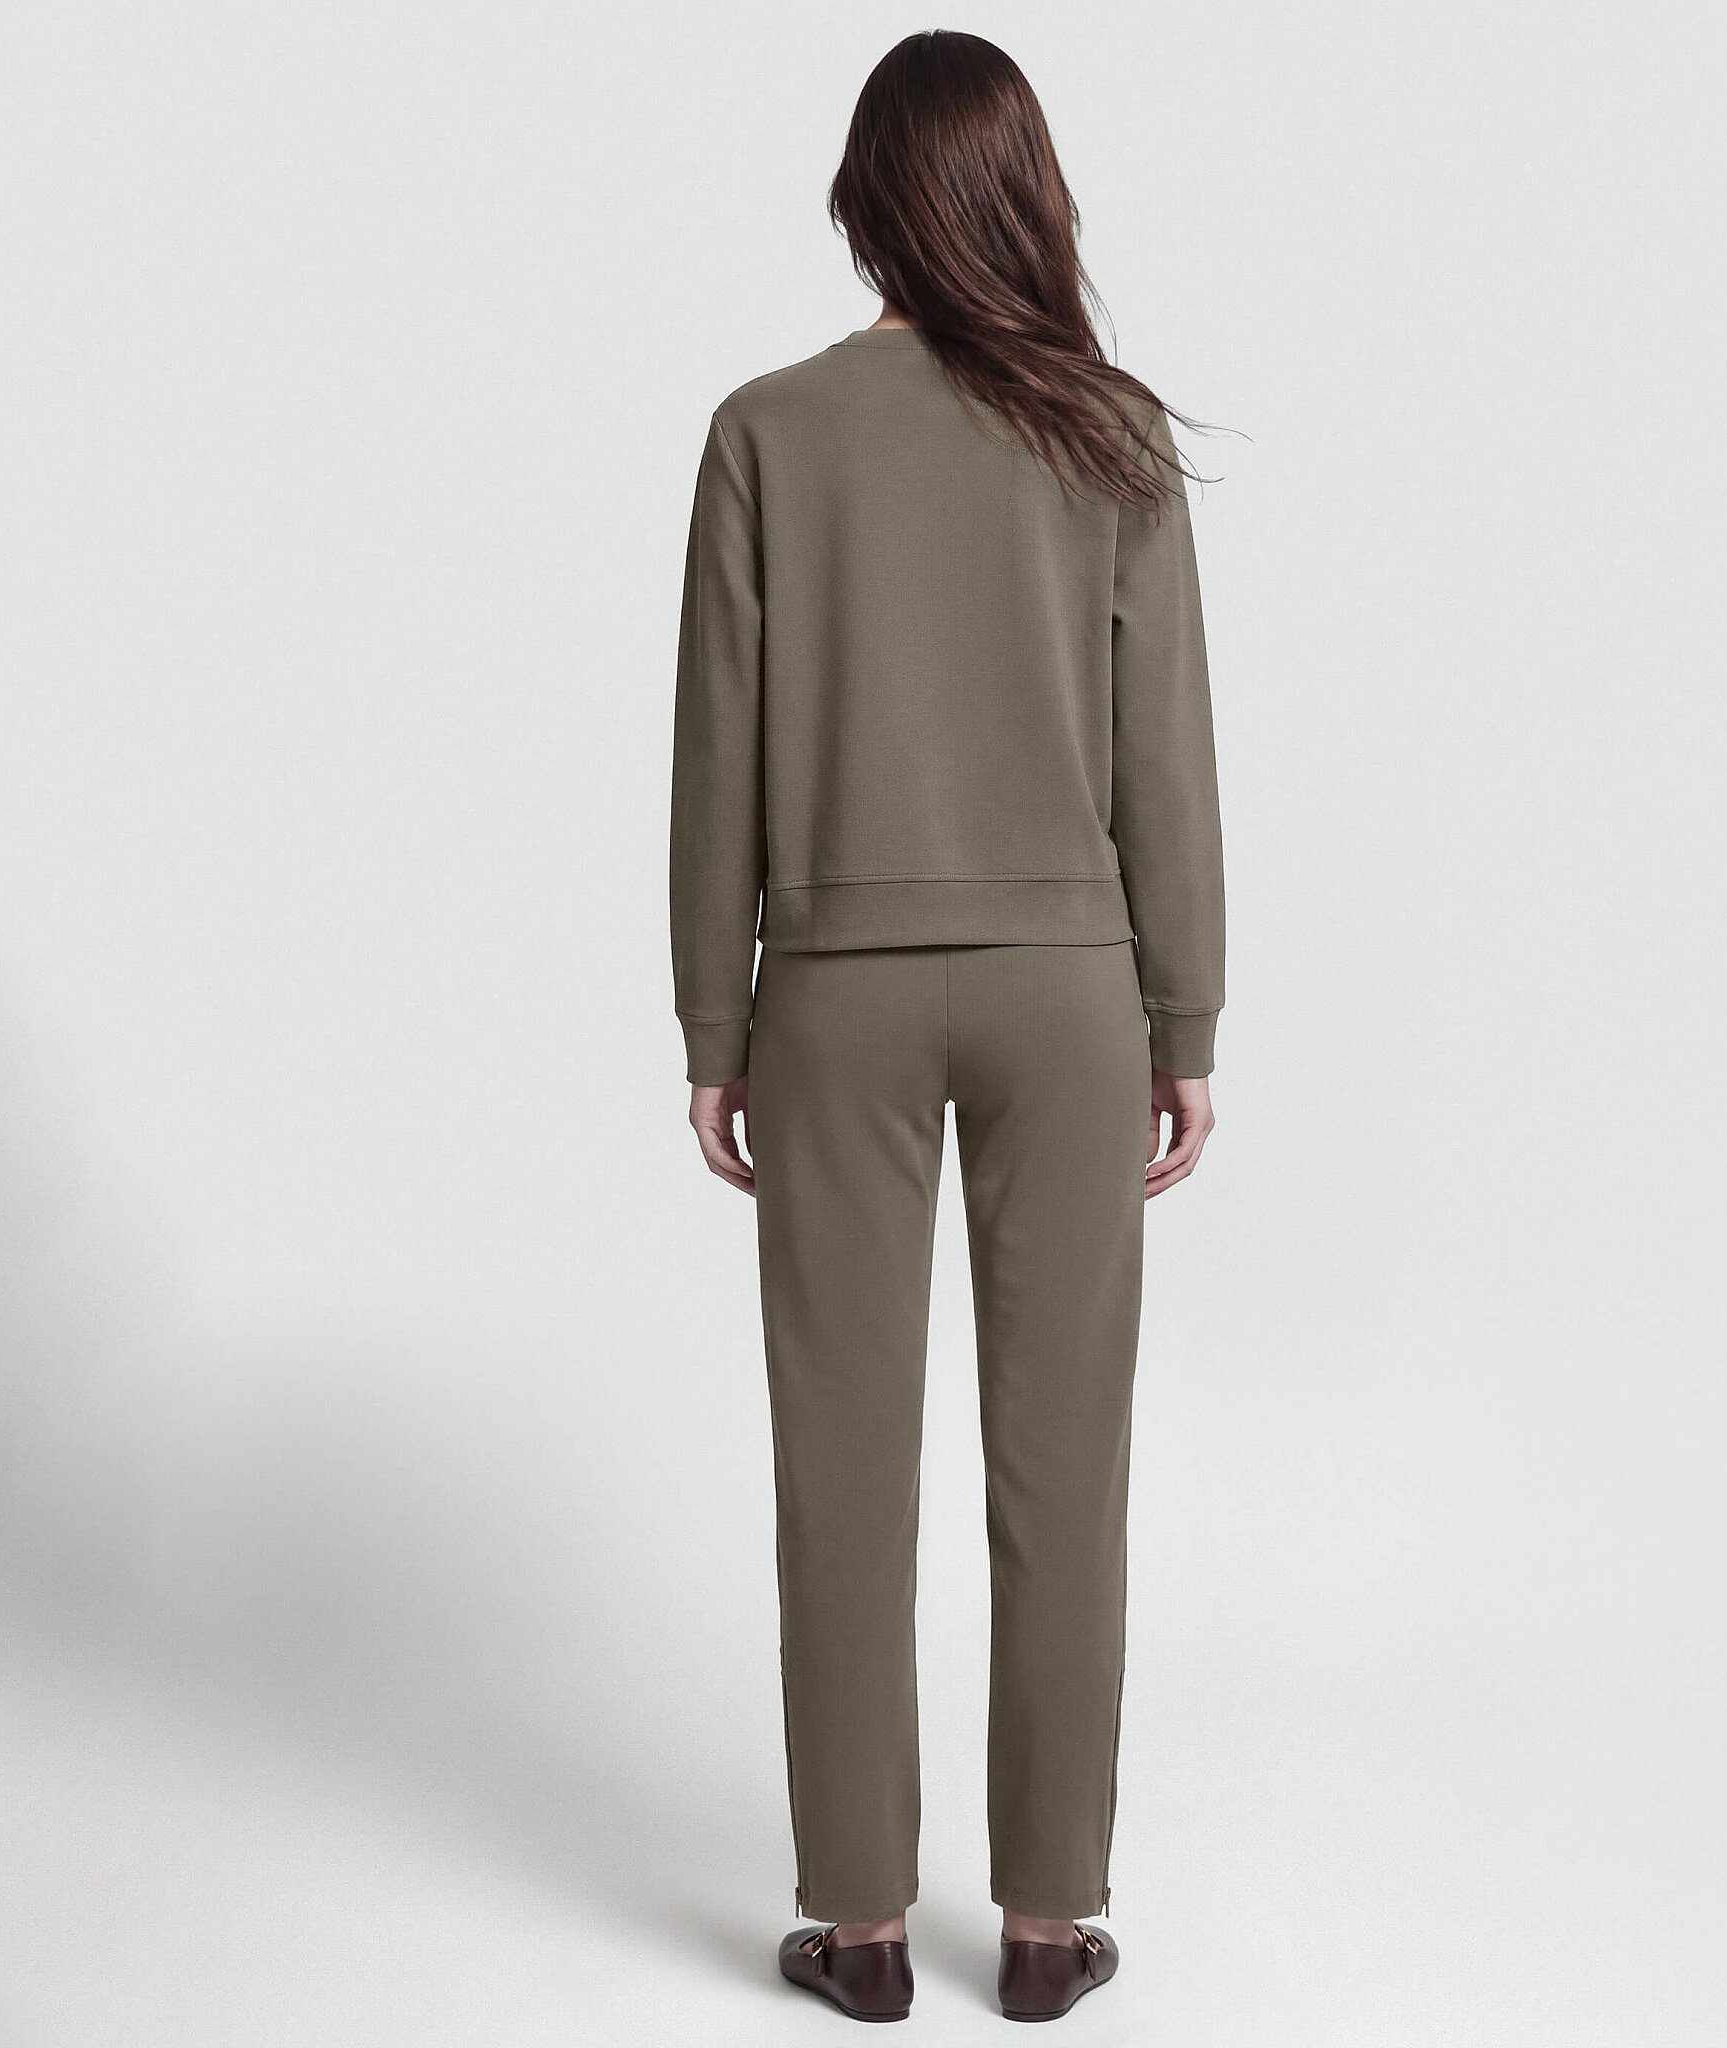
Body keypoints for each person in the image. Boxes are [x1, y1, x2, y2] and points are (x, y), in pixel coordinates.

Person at [669, 29, 1226, 2026]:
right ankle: (1054, 1923)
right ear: (1025, 198)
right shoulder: (1110, 438)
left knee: (841, 1467)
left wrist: (712, 1018)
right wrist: (1185, 1014)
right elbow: (1164, 756)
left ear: (864, 204)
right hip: (1072, 996)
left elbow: (716, 753)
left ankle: (861, 1925)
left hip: (830, 992)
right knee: (1062, 1468)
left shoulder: (766, 431)